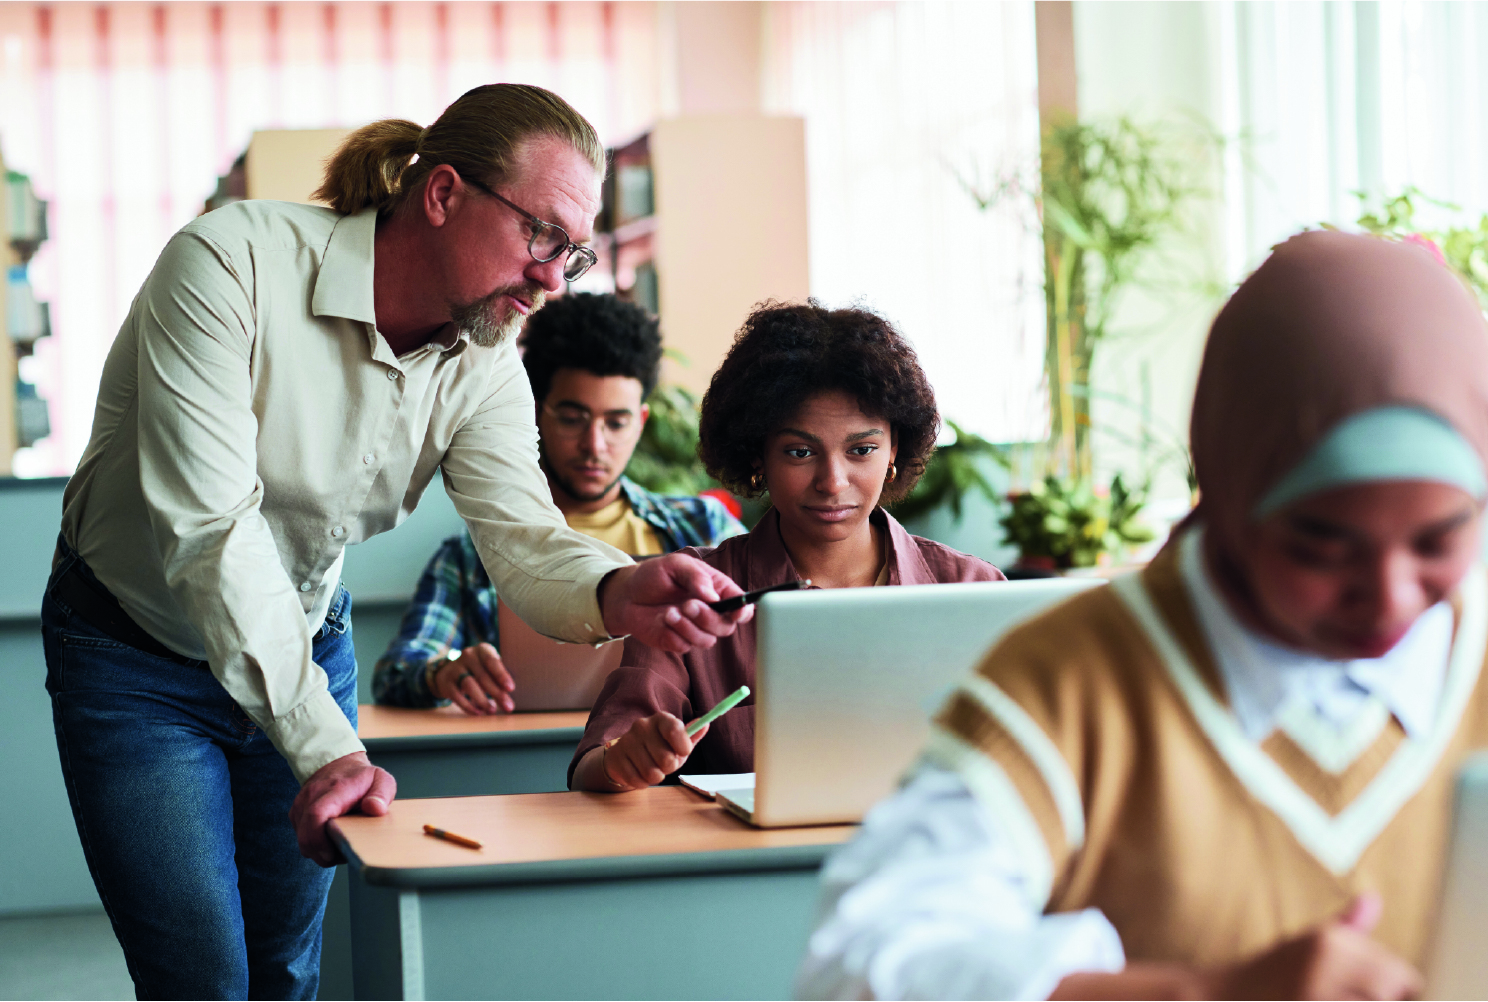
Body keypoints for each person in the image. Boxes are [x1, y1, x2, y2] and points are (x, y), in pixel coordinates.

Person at [41, 84, 752, 1000]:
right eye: (542, 236)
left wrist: (617, 589)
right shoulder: (229, 264)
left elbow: (525, 538)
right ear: (444, 194)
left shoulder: (487, 358)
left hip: (305, 643)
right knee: (200, 981)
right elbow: (214, 532)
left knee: (286, 974)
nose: (551, 278)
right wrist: (327, 746)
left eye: (573, 253)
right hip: (138, 660)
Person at [795, 231, 1488, 1001]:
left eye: (1439, 538)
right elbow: (858, 971)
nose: (1390, 595)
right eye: (1321, 546)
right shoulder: (1074, 682)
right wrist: (1204, 994)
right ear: (1231, 493)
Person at [569, 302, 1005, 793]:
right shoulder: (694, 596)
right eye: (800, 452)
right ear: (758, 455)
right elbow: (594, 768)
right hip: (750, 865)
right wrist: (625, 761)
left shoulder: (973, 590)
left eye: (861, 450)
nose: (832, 482)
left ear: (894, 451)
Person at [371, 291, 745, 713]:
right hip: (529, 756)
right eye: (572, 418)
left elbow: (765, 642)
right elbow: (397, 671)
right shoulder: (473, 555)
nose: (594, 445)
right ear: (534, 413)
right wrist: (447, 669)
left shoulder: (705, 529)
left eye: (616, 422)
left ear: (640, 423)